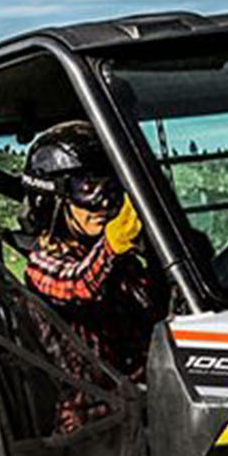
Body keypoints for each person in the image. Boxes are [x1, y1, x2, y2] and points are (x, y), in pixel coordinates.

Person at [21, 120, 158, 433]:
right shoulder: (43, 263)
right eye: (87, 188)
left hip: (144, 402)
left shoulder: (122, 260)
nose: (103, 201)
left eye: (110, 187)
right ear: (51, 196)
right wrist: (112, 244)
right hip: (91, 428)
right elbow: (77, 284)